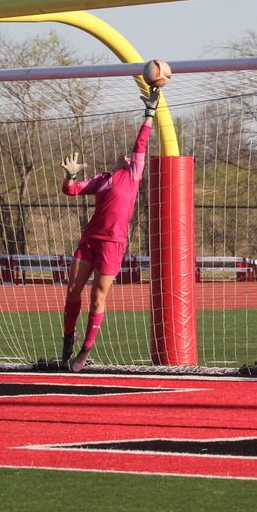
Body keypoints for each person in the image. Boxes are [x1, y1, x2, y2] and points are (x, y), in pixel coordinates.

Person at [58, 86, 161, 371]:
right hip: (91, 239)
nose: (127, 158)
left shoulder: (133, 175)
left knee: (97, 297)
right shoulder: (103, 179)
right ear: (115, 162)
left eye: (130, 158)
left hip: (113, 243)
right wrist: (71, 176)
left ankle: (85, 349)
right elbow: (71, 190)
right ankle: (68, 338)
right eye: (124, 157)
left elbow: (140, 145)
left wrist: (149, 114)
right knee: (72, 291)